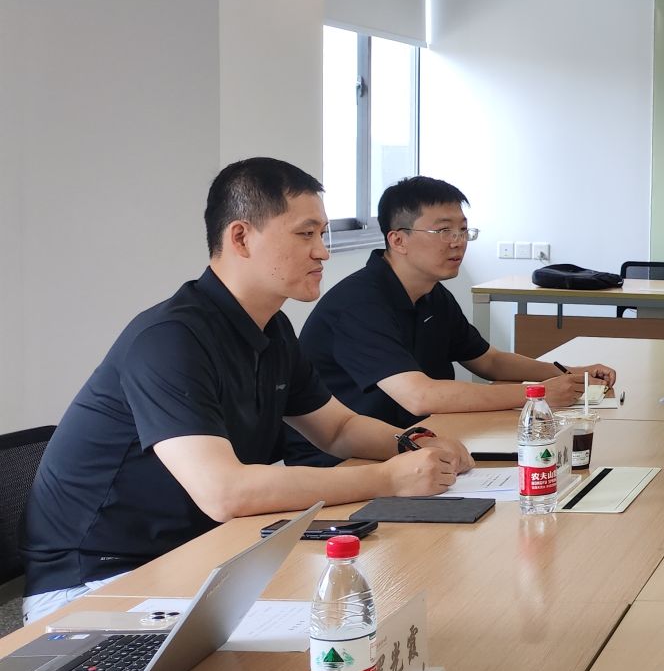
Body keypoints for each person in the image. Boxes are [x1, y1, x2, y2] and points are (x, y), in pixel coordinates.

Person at [22, 158, 474, 619]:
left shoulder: (272, 328)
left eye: (323, 234)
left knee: (378, 606)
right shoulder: (170, 339)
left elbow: (337, 429)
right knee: (341, 629)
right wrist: (388, 478)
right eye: (306, 234)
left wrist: (414, 443)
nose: (322, 253)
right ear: (240, 238)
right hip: (98, 583)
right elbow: (225, 493)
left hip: (203, 555)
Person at [299, 175, 616, 428]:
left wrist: (566, 372)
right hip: (349, 461)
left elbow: (488, 361)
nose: (458, 242)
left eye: (463, 230)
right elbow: (420, 396)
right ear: (398, 239)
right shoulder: (358, 304)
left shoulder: (432, 293)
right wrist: (538, 393)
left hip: (422, 436)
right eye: (443, 231)